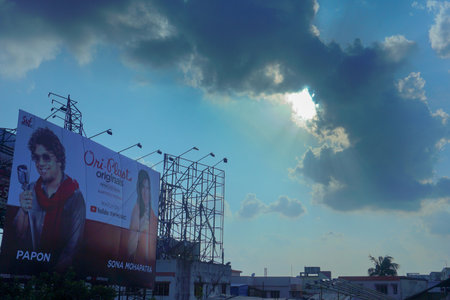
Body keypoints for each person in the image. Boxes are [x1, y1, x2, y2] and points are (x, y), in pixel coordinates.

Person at [14, 127, 85, 271]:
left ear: (59, 159)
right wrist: (23, 210)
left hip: (57, 277)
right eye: (36, 158)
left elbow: (73, 246)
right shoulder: (31, 189)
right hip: (29, 270)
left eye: (46, 157)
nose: (40, 163)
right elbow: (17, 235)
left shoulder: (75, 196)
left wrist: (51, 277)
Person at [127, 169, 156, 264]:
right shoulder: (136, 211)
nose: (145, 192)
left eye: (148, 188)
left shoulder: (153, 216)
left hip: (146, 269)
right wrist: (139, 231)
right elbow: (129, 250)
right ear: (139, 189)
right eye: (143, 188)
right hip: (134, 266)